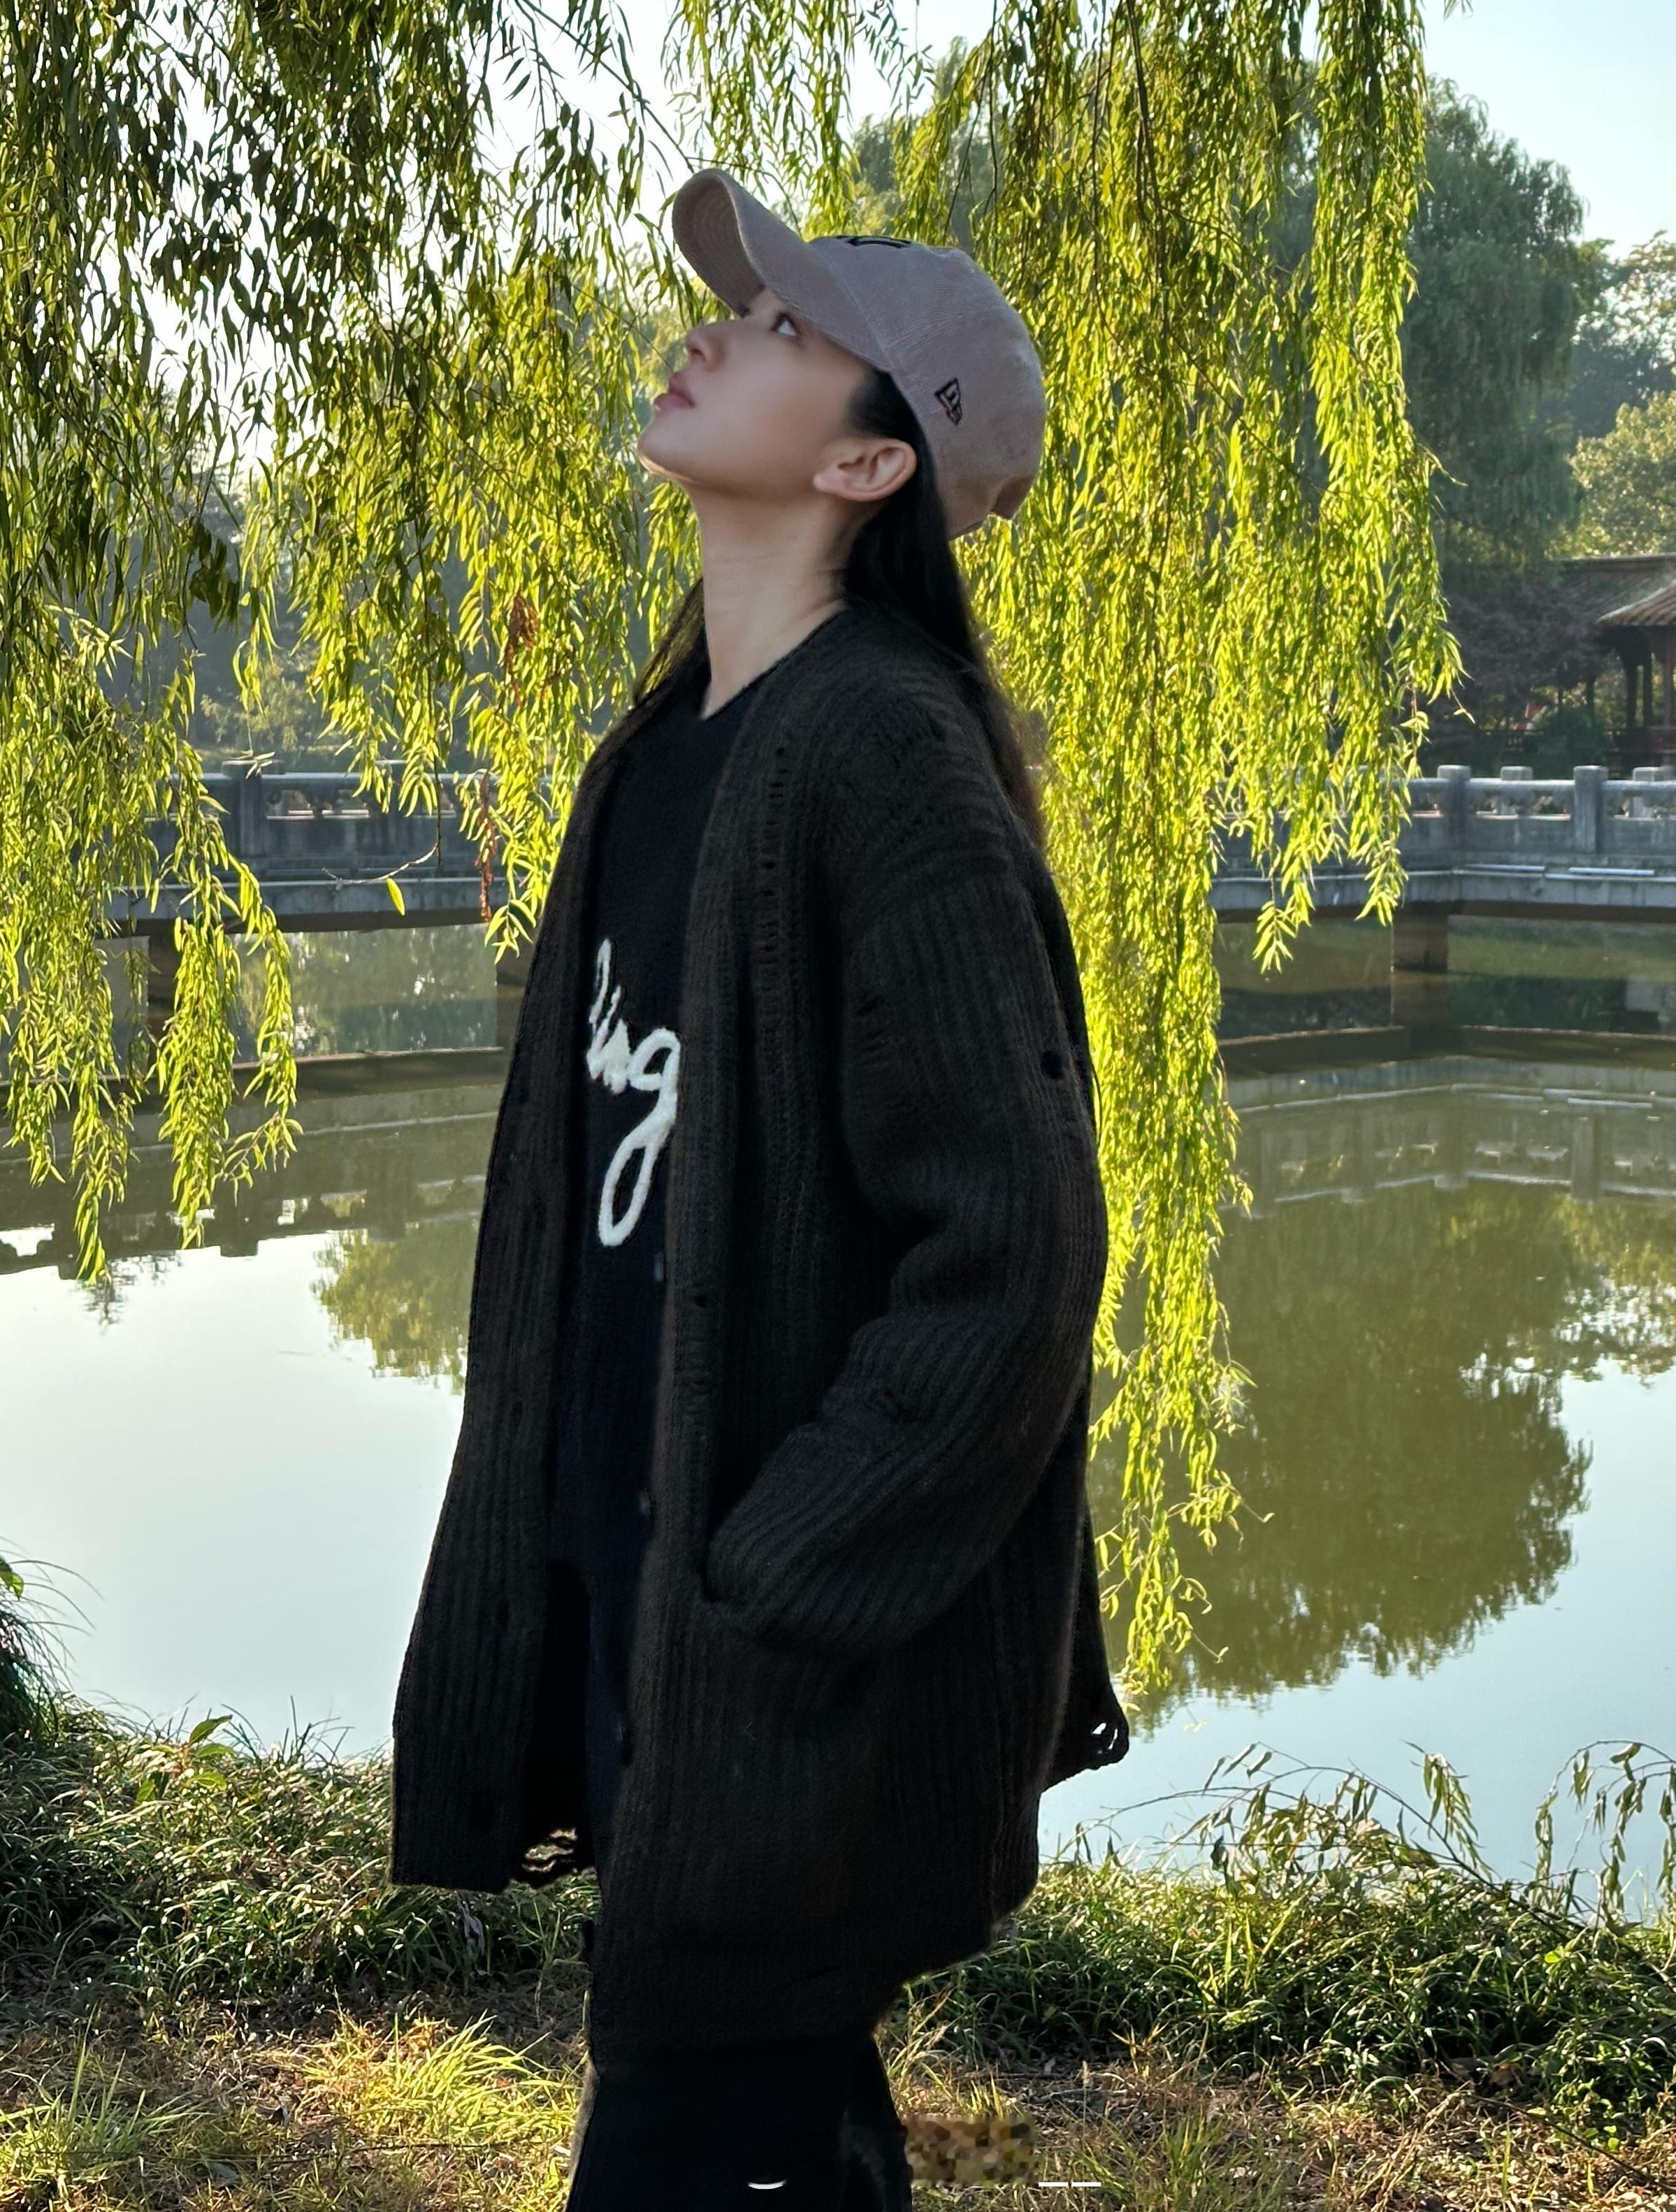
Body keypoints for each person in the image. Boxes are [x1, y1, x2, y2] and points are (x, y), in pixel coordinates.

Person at [390, 169, 1129, 2209]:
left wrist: (771, 1584)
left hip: (764, 1636)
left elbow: (1014, 1262)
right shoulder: (659, 758)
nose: (717, 332)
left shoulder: (883, 755)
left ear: (871, 462)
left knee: (699, 2119)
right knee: (768, 2126)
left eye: (792, 331)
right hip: (640, 1586)